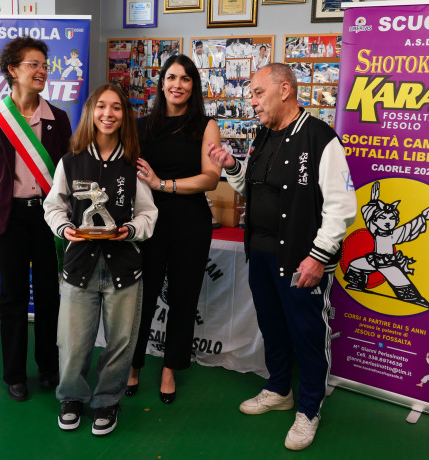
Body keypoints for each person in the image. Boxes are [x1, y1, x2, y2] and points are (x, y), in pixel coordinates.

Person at [207, 63, 357, 451]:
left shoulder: (321, 138)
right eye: (251, 95)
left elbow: (342, 207)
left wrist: (318, 257)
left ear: (285, 90)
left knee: (308, 335)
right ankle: (278, 390)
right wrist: (233, 167)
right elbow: (252, 188)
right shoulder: (262, 135)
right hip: (260, 255)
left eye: (258, 93)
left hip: (302, 261)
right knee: (271, 327)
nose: (252, 102)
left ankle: (309, 409)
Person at [43, 84, 158, 435]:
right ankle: (71, 397)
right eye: (102, 106)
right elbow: (54, 206)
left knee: (121, 342)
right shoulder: (70, 161)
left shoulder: (133, 163)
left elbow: (148, 213)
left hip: (124, 266)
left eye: (117, 108)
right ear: (91, 112)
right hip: (80, 265)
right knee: (72, 341)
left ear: (125, 116)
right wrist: (65, 228)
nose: (108, 114)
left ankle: (108, 400)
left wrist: (130, 230)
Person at [0, 37, 72, 402]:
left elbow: (66, 171)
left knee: (48, 294)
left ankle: (48, 366)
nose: (42, 70)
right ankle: (14, 374)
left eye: (45, 65)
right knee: (13, 296)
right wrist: (0, 205)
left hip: (48, 218)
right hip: (10, 219)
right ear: (12, 70)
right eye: (34, 64)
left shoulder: (58, 119)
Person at [127, 55, 223, 405]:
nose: (177, 84)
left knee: (183, 298)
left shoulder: (206, 126)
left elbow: (211, 178)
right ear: (161, 83)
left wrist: (161, 184)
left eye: (185, 78)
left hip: (190, 222)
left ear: (193, 85)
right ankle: (133, 364)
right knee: (141, 297)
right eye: (171, 77)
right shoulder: (140, 126)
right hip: (147, 222)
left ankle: (170, 368)